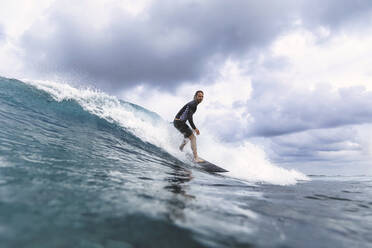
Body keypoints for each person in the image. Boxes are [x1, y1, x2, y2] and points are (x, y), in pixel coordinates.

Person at [173, 90, 204, 163]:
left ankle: (180, 148)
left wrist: (193, 129)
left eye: (202, 96)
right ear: (195, 96)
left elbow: (187, 116)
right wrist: (195, 128)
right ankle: (196, 158)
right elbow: (190, 118)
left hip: (178, 122)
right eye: (199, 96)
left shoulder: (193, 104)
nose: (201, 98)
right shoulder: (193, 105)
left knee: (188, 135)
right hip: (179, 122)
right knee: (193, 138)